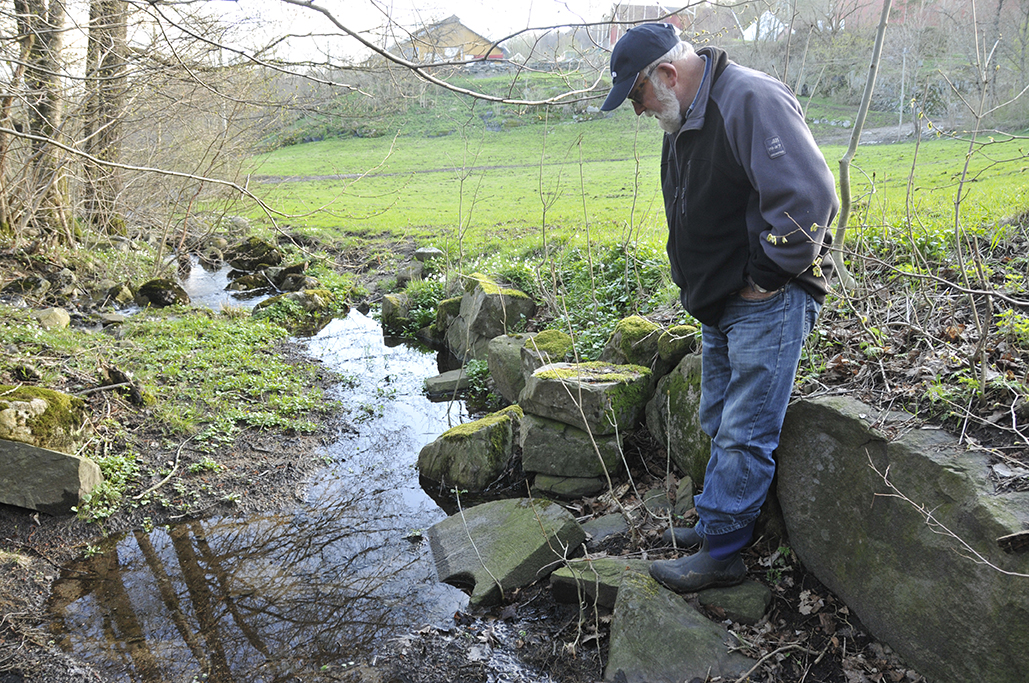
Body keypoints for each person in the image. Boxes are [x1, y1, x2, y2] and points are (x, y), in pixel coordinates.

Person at [600, 23, 838, 592]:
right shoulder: (683, 115)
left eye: (636, 95)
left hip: (766, 299)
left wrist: (766, 275)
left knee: (743, 431)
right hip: (721, 299)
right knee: (716, 418)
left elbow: (809, 199)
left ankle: (724, 553)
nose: (638, 110)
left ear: (666, 73)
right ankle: (716, 523)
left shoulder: (749, 98)